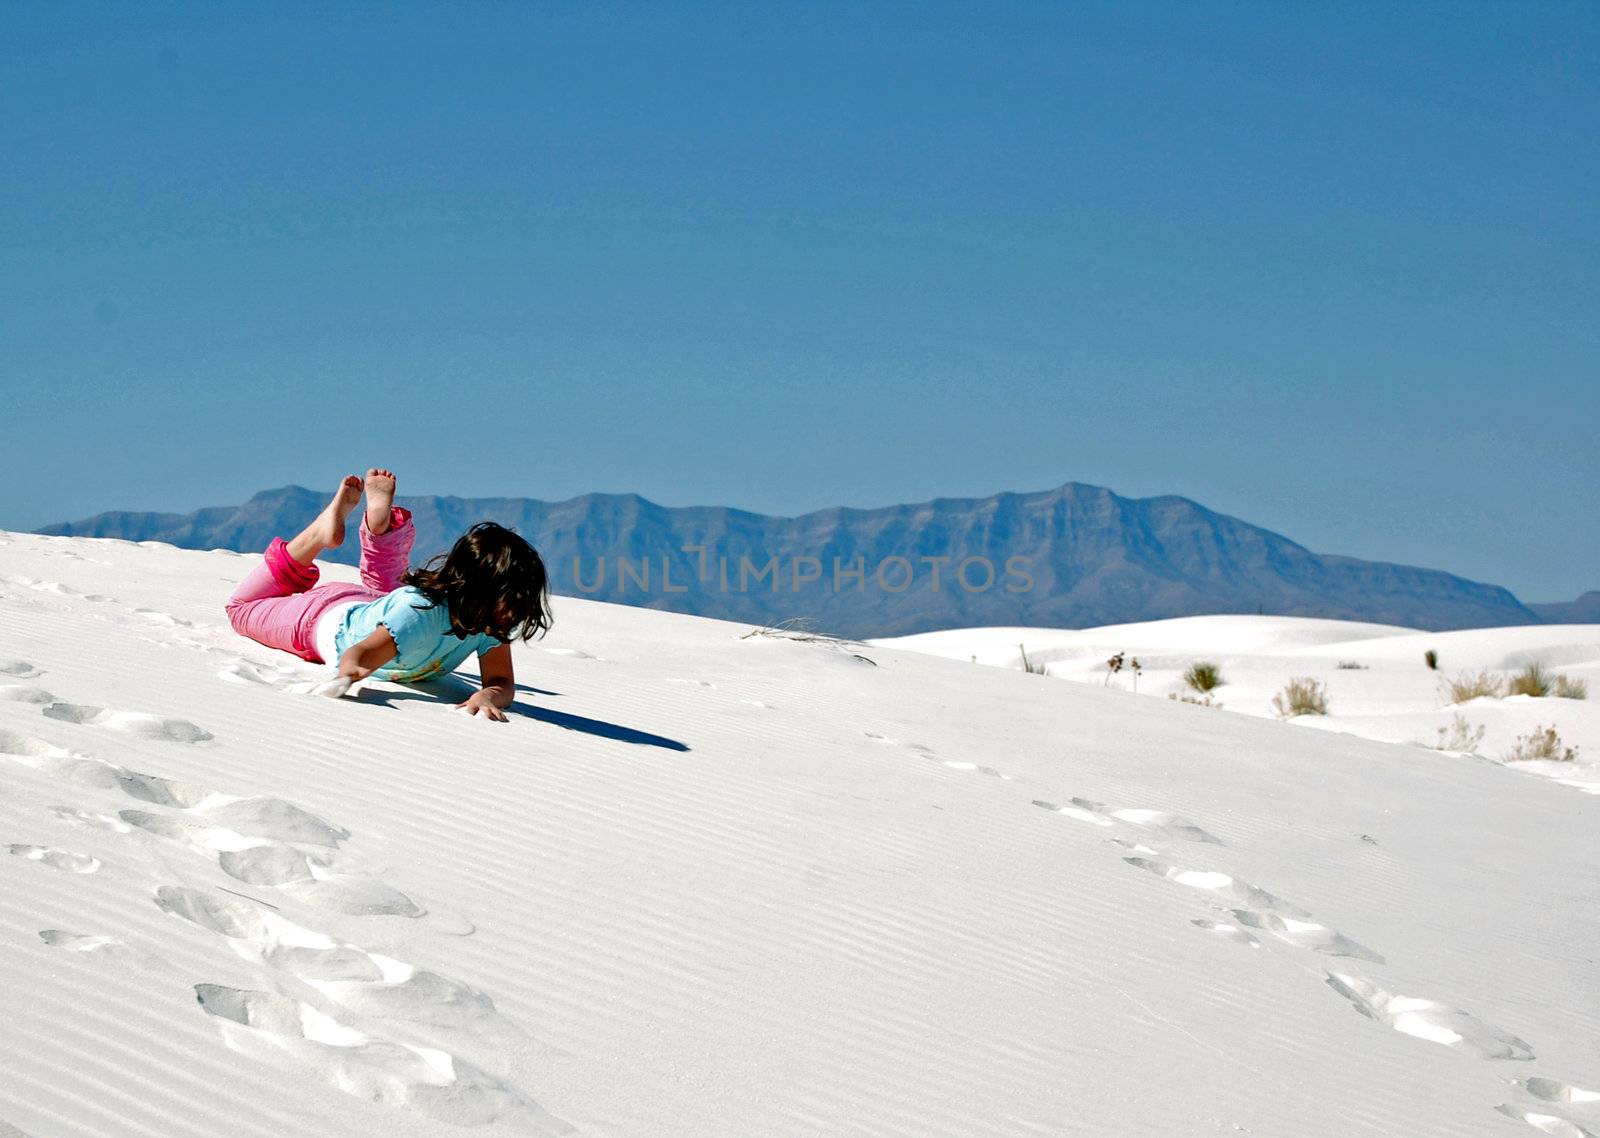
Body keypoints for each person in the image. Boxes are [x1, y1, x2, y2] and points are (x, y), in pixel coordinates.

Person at [224, 469, 551, 721]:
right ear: (483, 592)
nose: (518, 611)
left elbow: (501, 680)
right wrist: (348, 676)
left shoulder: (489, 623)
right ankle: (316, 535)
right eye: (514, 599)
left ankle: (381, 529)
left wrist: (489, 695)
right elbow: (361, 652)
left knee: (389, 598)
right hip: (318, 618)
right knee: (241, 609)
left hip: (376, 607)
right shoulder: (419, 614)